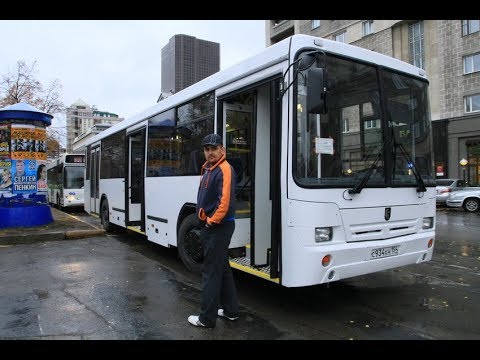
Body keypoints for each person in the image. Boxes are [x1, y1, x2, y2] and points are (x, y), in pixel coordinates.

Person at [188, 133, 239, 328]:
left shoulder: (224, 169)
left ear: (222, 150)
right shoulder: (209, 168)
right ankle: (231, 311)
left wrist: (211, 222)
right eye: (207, 149)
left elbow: (224, 203)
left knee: (210, 273)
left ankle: (206, 319)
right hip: (215, 226)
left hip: (218, 227)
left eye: (214, 148)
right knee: (223, 269)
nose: (210, 152)